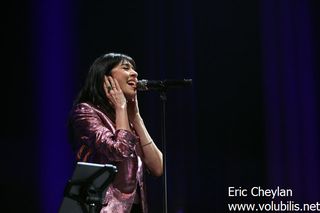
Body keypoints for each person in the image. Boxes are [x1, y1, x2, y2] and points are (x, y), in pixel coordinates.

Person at [68, 52, 163, 213]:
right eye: (126, 68)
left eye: (134, 68)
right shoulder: (85, 112)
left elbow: (157, 167)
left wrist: (136, 118)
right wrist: (121, 107)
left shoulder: (126, 120)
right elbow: (120, 151)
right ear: (106, 78)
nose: (135, 73)